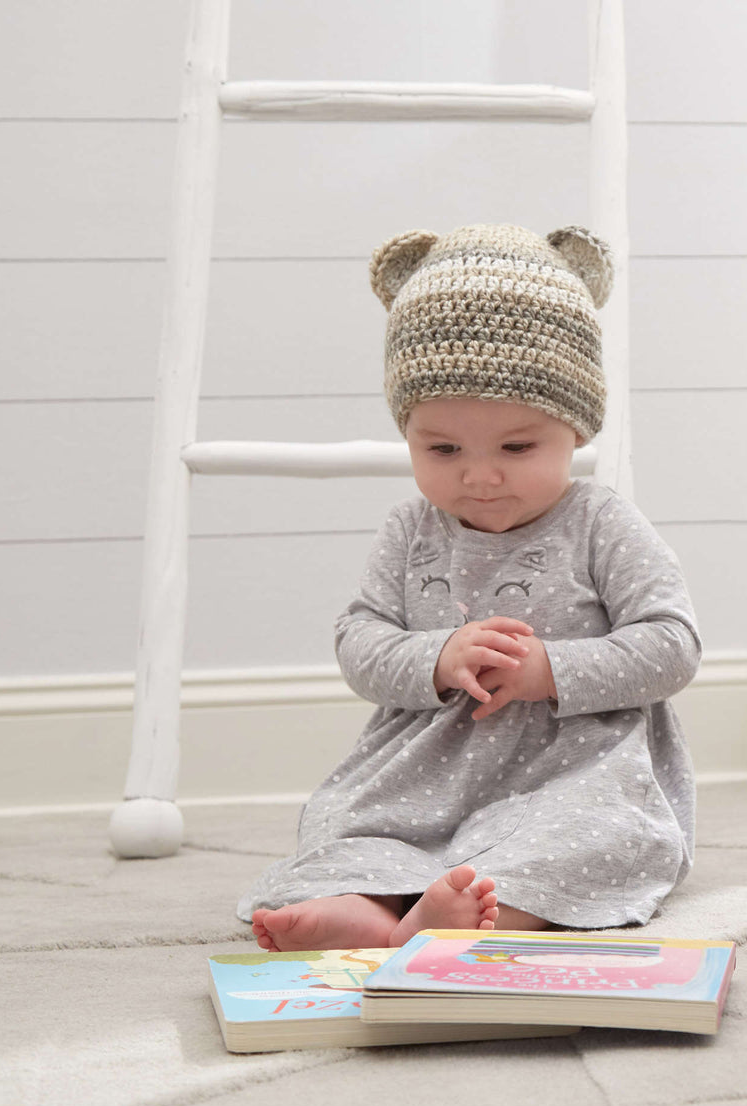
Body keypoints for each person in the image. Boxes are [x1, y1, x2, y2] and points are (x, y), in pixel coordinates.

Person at [238, 223, 702, 952]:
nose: (479, 475)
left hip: (572, 769)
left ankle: (483, 911)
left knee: (594, 835)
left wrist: (554, 669)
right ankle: (363, 904)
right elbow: (360, 641)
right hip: (421, 773)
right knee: (346, 823)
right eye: (442, 449)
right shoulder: (410, 528)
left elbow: (672, 645)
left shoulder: (601, 521)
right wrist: (435, 655)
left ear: (575, 431)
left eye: (517, 447)